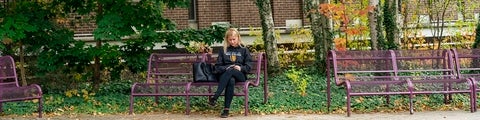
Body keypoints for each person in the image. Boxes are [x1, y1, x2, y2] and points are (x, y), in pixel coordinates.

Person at [209, 28, 252, 118]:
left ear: (238, 38)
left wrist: (240, 68)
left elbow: (248, 67)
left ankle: (216, 96)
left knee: (232, 70)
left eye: (234, 39)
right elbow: (218, 67)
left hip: (240, 75)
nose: (232, 42)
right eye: (230, 40)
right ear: (227, 39)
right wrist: (226, 68)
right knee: (231, 80)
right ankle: (226, 110)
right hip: (225, 75)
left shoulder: (244, 50)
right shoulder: (223, 50)